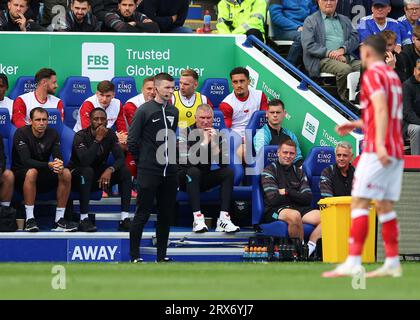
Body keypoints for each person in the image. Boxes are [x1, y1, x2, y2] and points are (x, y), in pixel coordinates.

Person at [323, 34, 404, 278]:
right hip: (396, 149)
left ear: (369, 52)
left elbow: (380, 110)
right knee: (384, 206)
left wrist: (378, 146)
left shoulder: (372, 75)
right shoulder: (392, 76)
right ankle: (392, 261)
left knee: (359, 202)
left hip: (377, 149)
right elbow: (385, 112)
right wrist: (356, 123)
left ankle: (354, 261)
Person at [128, 72, 179, 263]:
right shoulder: (144, 110)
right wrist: (144, 163)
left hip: (170, 171)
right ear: (156, 88)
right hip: (149, 170)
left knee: (166, 215)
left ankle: (161, 256)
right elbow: (132, 141)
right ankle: (134, 256)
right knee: (142, 213)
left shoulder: (174, 111)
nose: (170, 90)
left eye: (172, 87)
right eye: (166, 87)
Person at [12, 107, 77, 232]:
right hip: (21, 175)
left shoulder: (52, 133)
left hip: (44, 173)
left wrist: (58, 164)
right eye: (38, 120)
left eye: (44, 120)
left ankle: (59, 220)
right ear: (30, 121)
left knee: (66, 173)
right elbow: (26, 161)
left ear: (48, 121)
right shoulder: (21, 133)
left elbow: (57, 155)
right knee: (32, 172)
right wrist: (49, 165)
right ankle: (30, 220)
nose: (41, 123)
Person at [177, 104, 239, 233]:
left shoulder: (217, 134)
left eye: (209, 118)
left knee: (228, 172)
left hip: (203, 177)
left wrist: (215, 144)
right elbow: (187, 162)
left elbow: (223, 164)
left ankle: (223, 219)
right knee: (193, 171)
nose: (205, 121)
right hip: (183, 178)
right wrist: (204, 143)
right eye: (202, 118)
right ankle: (198, 219)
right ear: (195, 117)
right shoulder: (184, 133)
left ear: (213, 118)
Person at [69, 108, 132, 232]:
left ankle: (124, 219)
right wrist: (97, 140)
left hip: (98, 176)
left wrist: (110, 169)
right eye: (96, 119)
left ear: (107, 122)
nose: (99, 122)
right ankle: (83, 219)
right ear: (90, 121)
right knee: (87, 171)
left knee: (125, 172)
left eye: (103, 119)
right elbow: (85, 161)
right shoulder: (80, 136)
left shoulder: (110, 135)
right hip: (78, 176)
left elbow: (120, 158)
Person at [261, 139, 322, 257]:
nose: (288, 156)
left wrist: (287, 192)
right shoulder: (268, 170)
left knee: (327, 217)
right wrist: (296, 195)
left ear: (295, 155)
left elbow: (308, 198)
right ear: (278, 153)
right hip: (274, 211)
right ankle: (299, 253)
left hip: (298, 208)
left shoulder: (299, 172)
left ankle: (309, 247)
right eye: (285, 152)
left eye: (291, 153)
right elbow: (273, 199)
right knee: (294, 215)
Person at [302, 0, 361, 100]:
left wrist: (343, 49)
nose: (329, 3)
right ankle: (345, 100)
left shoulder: (344, 19)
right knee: (345, 69)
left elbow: (355, 37)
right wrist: (330, 53)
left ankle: (361, 95)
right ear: (318, 2)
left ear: (337, 2)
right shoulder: (310, 20)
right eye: (325, 0)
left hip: (345, 57)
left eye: (332, 0)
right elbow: (308, 45)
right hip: (321, 59)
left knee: (368, 66)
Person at [219, 67, 268, 160]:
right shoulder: (226, 104)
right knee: (246, 151)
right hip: (238, 137)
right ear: (232, 83)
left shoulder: (260, 95)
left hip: (258, 135)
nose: (239, 85)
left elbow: (265, 119)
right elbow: (226, 131)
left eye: (242, 81)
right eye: (235, 82)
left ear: (249, 81)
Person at [73, 80, 127, 148]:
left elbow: (122, 127)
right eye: (101, 95)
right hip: (84, 137)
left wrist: (123, 137)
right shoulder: (88, 104)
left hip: (106, 137)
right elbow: (89, 131)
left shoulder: (118, 104)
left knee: (124, 144)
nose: (104, 99)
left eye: (108, 96)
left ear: (113, 95)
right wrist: (114, 136)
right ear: (97, 93)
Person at [253, 99, 303, 165]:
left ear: (284, 113)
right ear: (267, 114)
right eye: (272, 112)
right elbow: (263, 158)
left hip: (289, 171)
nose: (275, 115)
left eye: (278, 112)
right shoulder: (261, 134)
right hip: (269, 170)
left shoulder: (290, 135)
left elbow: (298, 160)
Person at [268, 0, 317, 67]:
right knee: (303, 36)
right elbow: (276, 17)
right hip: (284, 30)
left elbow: (315, 15)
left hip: (305, 29)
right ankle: (289, 68)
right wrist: (297, 27)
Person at [402, 58, 420, 155]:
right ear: (414, 70)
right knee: (417, 129)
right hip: (406, 123)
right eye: (419, 69)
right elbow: (407, 113)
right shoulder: (406, 86)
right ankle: (417, 163)